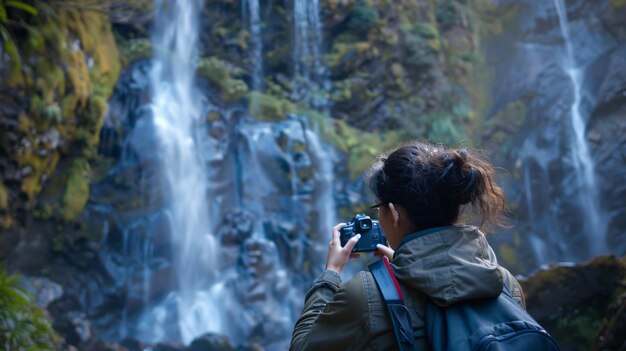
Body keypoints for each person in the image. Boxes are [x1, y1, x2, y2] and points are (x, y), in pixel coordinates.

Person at [289, 141, 526, 350]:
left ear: (393, 213)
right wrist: (407, 266)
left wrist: (330, 275)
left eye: (378, 208)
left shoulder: (367, 296)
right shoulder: (505, 284)